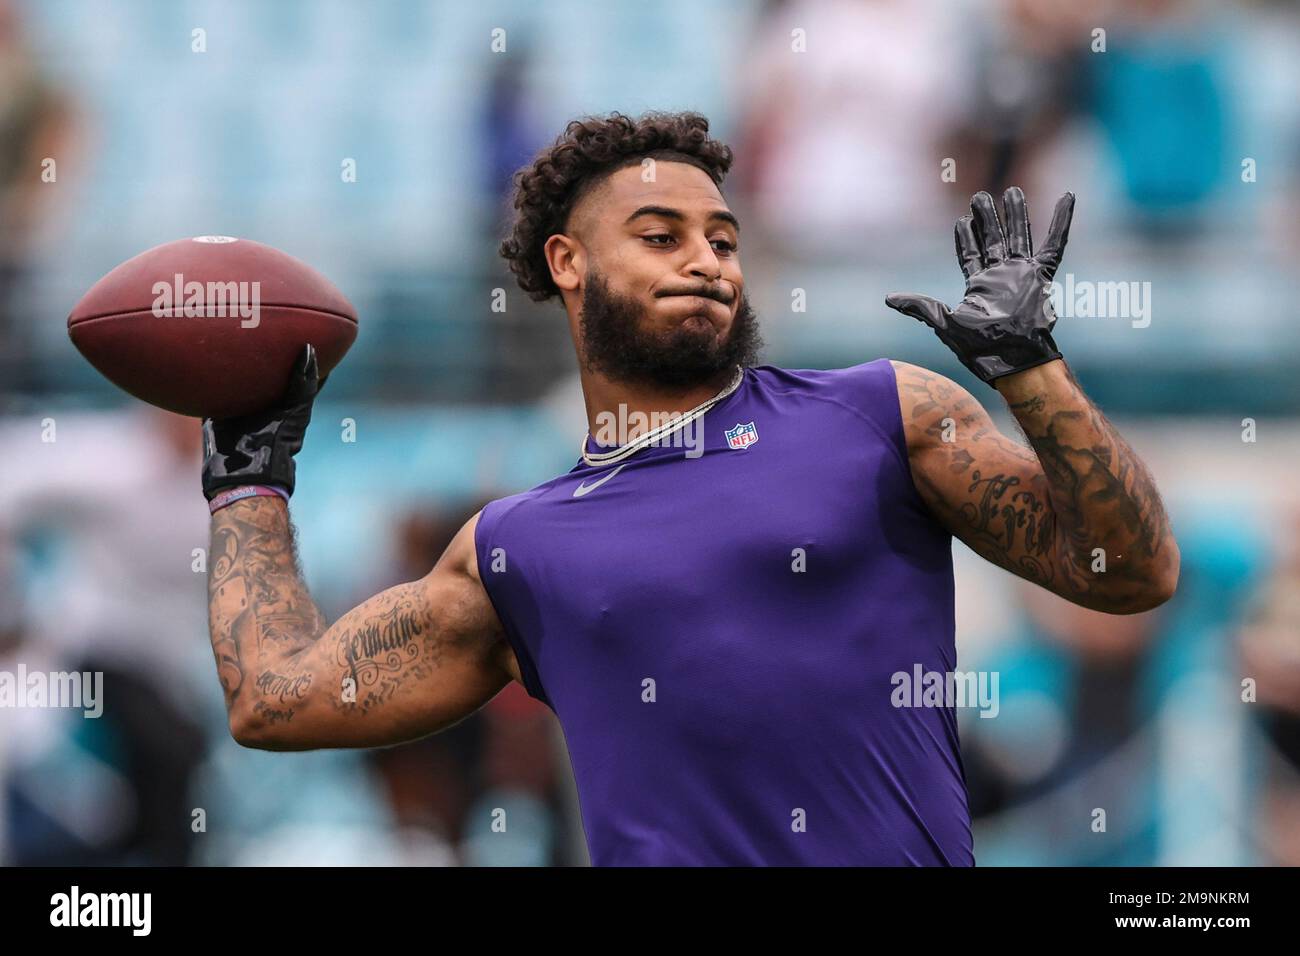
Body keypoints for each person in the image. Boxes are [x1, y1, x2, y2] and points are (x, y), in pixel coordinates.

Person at [198, 111, 1179, 866]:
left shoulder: (885, 414)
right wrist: (250, 481)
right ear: (567, 262)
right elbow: (277, 699)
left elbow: (1130, 572)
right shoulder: (515, 549)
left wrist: (1030, 369)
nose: (706, 259)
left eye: (722, 237)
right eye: (660, 236)